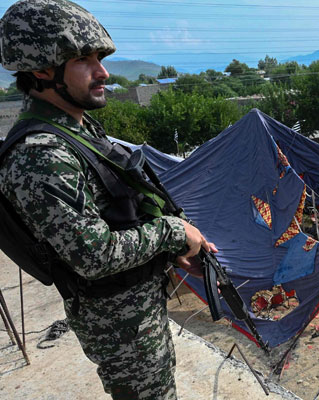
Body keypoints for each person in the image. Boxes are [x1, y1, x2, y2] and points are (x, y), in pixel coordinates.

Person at [0, 1, 215, 398]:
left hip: (137, 311)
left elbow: (116, 214)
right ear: (42, 70)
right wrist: (173, 232)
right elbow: (94, 254)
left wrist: (171, 252)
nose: (103, 72)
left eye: (100, 57)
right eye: (84, 59)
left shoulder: (77, 130)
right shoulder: (42, 154)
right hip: (119, 328)